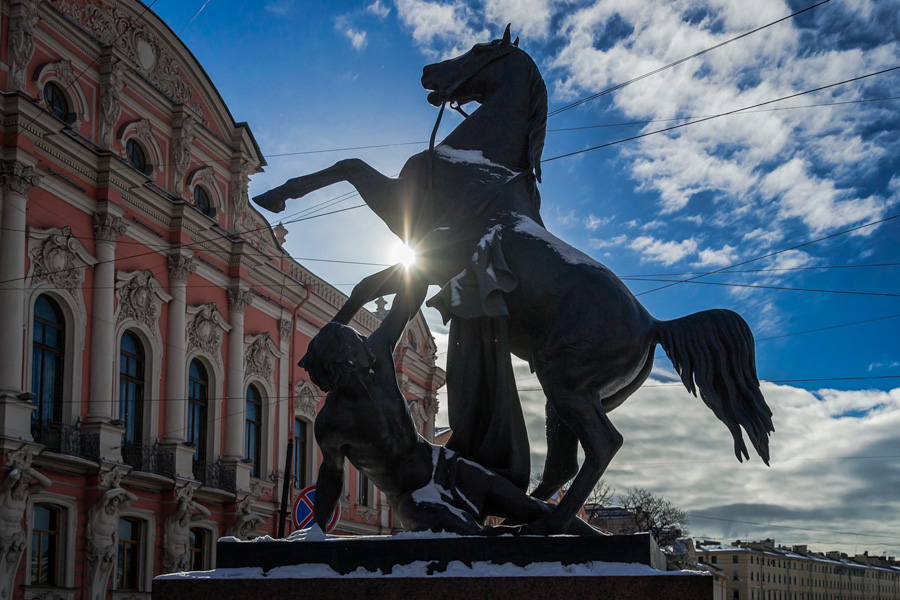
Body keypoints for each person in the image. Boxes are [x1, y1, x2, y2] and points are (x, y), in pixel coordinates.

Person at [301, 275, 596, 536]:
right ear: (348, 362)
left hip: (445, 466)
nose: (366, 339)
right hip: (412, 498)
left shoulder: (377, 354)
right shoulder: (333, 422)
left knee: (535, 509)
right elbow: (331, 474)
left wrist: (408, 271)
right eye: (357, 340)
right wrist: (317, 530)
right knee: (470, 539)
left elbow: (407, 298)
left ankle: (610, 544)